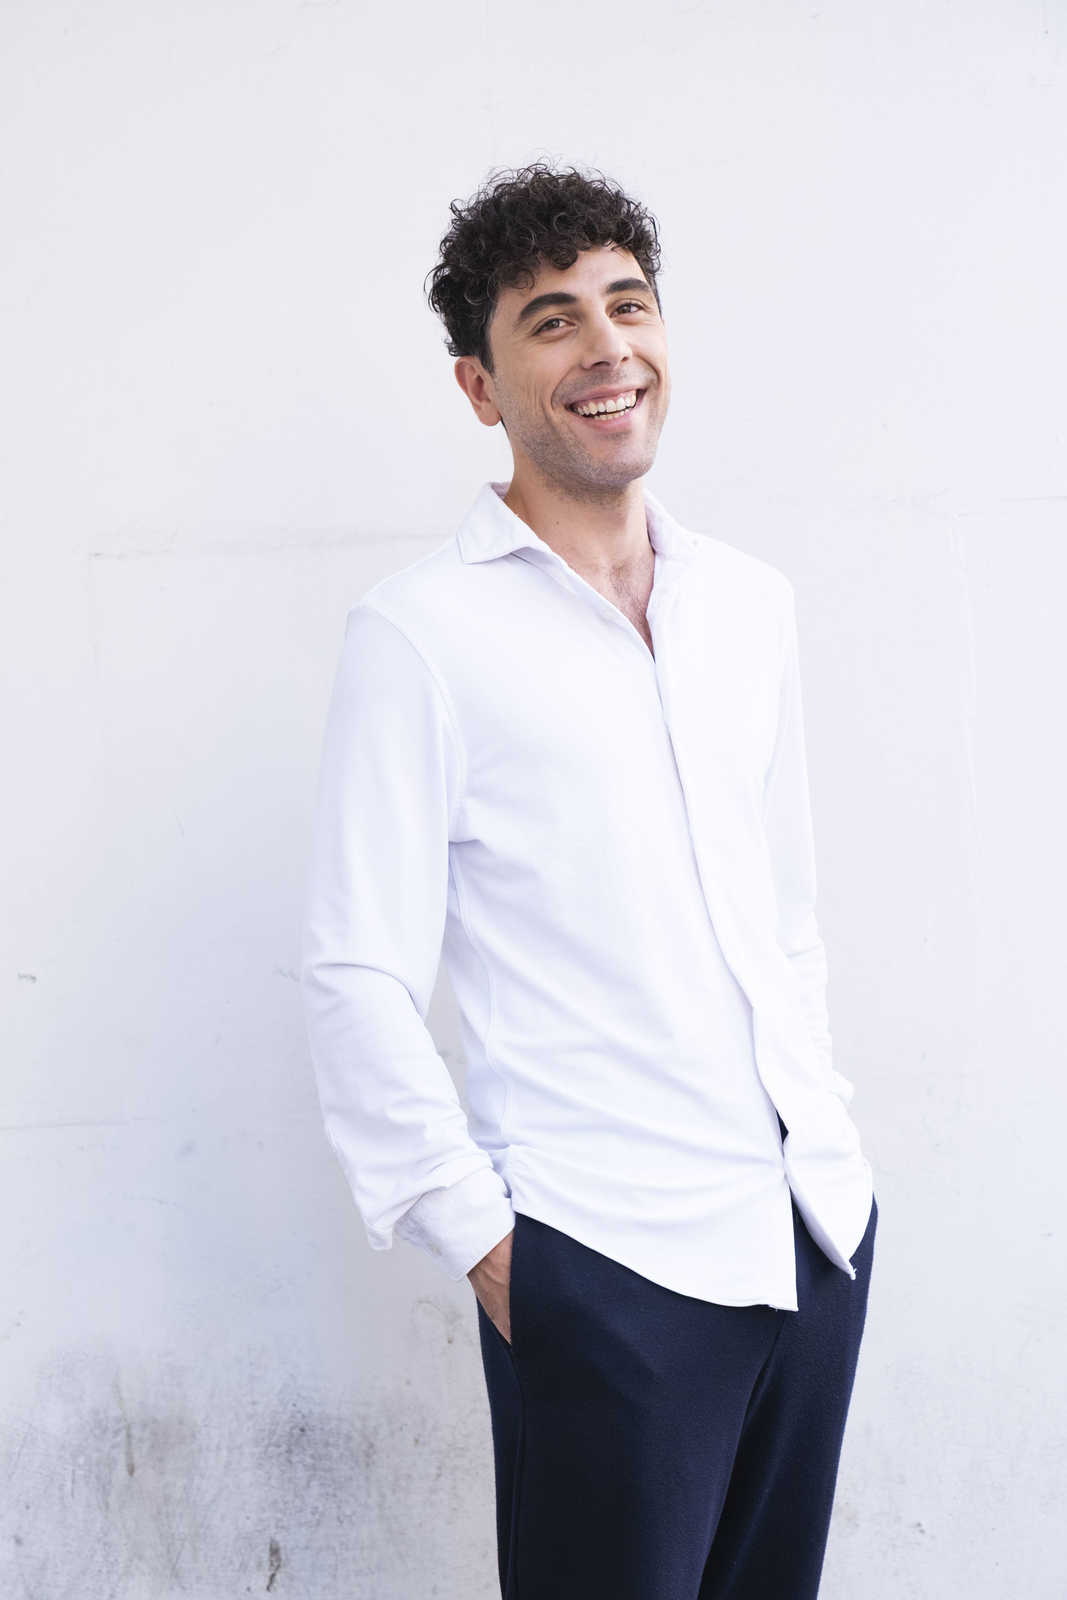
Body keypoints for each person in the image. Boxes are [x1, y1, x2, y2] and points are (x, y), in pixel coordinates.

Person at [299, 161, 878, 1600]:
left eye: (630, 304)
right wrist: (493, 1252)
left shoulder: (747, 604)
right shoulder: (420, 636)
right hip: (602, 1263)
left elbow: (786, 918)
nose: (608, 346)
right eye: (551, 321)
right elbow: (356, 974)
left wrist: (833, 1149)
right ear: (478, 387)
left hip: (809, 1238)